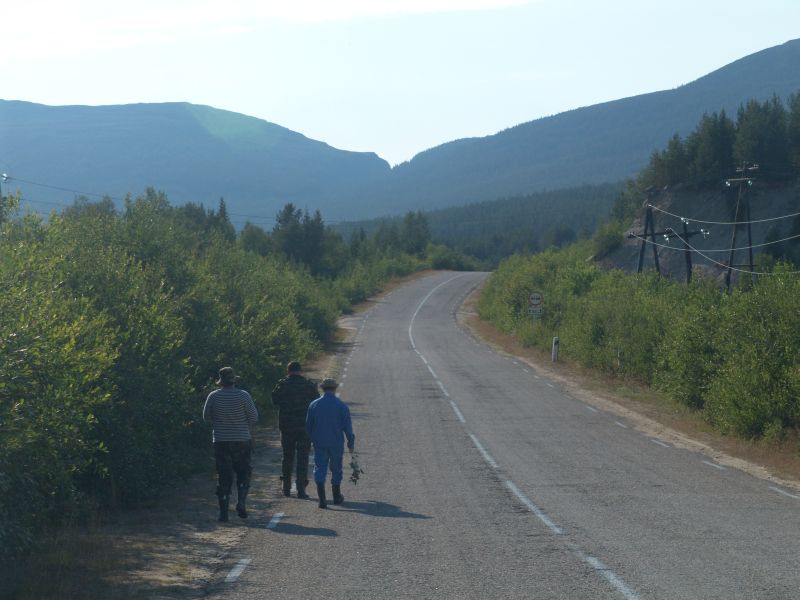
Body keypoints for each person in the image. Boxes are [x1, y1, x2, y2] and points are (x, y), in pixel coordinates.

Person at [203, 366, 258, 522]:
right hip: (242, 440)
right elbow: (254, 417)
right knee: (243, 472)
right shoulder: (244, 395)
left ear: (220, 381)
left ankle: (223, 513)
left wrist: (219, 421)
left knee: (224, 475)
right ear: (234, 380)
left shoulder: (213, 396)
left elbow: (205, 417)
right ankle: (241, 502)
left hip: (221, 441)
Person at [271, 361, 319, 499]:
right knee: (303, 457)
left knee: (287, 456)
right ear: (300, 370)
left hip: (286, 427)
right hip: (304, 427)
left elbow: (274, 400)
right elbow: (316, 403)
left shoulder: (282, 385)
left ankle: (286, 488)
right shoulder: (308, 385)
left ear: (288, 371)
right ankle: (301, 490)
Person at [305, 378, 355, 509]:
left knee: (320, 467)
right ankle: (336, 496)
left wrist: (312, 439)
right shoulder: (341, 406)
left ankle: (322, 499)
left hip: (319, 442)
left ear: (323, 388)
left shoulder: (314, 405)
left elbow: (308, 426)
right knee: (336, 468)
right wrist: (351, 442)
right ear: (334, 388)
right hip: (336, 442)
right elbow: (348, 428)